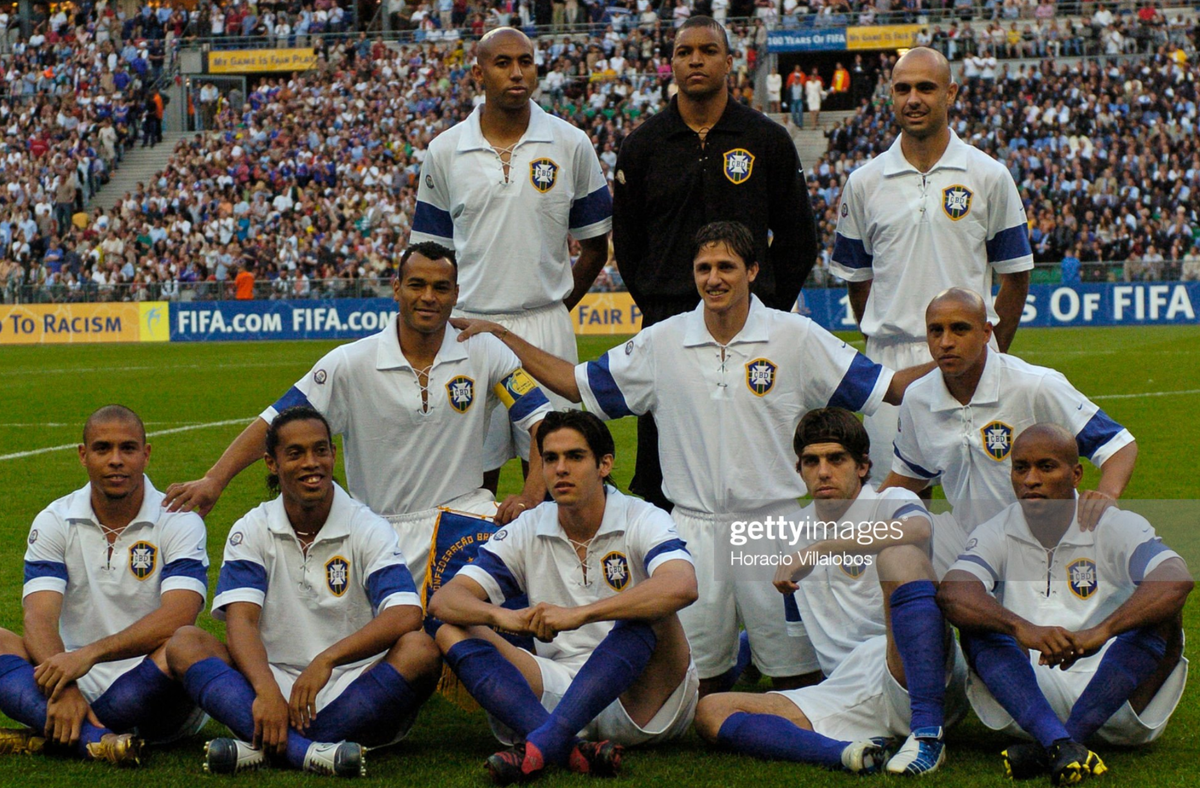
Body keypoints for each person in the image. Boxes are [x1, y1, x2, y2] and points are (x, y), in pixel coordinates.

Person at [453, 221, 933, 697]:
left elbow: (887, 387)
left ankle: (759, 665)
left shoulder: (796, 336)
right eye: (704, 267)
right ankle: (737, 660)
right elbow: (576, 384)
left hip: (774, 525)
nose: (714, 278)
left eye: (726, 266)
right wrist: (503, 337)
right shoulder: (664, 341)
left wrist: (970, 357)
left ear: (752, 271)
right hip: (694, 527)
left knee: (796, 676)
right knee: (695, 683)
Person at [164, 242, 554, 590]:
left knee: (511, 582)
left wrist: (531, 497)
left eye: (440, 287)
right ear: (397, 289)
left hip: (462, 518)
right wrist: (215, 479)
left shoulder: (484, 351)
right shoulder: (350, 363)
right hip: (377, 530)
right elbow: (275, 422)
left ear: (456, 294)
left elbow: (542, 421)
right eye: (417, 285)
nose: (428, 297)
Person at [611, 16, 818, 512]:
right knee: (664, 474)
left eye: (708, 50)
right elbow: (629, 242)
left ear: (730, 61)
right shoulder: (643, 145)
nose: (696, 60)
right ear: (672, 64)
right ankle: (672, 577)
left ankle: (762, 574)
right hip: (668, 326)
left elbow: (798, 238)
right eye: (685, 52)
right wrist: (664, 301)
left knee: (757, 461)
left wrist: (763, 304)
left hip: (753, 327)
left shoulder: (766, 139)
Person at [165, 407, 440, 776]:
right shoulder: (253, 527)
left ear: (332, 454)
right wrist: (265, 690)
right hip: (269, 681)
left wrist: (327, 660)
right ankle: (311, 752)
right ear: (271, 463)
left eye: (320, 450)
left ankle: (265, 746)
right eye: (295, 453)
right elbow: (241, 622)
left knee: (421, 649)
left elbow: (405, 613)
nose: (312, 463)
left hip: (350, 680)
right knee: (184, 643)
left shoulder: (365, 525)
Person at [429, 410, 698, 784]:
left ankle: (543, 744)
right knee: (449, 629)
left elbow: (682, 585)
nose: (560, 469)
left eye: (575, 457)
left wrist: (580, 615)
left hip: (643, 697)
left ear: (604, 464)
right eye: (550, 459)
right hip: (558, 686)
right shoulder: (529, 526)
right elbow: (445, 600)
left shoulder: (642, 516)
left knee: (652, 610)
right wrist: (506, 617)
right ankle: (564, 746)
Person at [693, 408, 967, 775]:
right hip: (847, 686)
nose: (823, 471)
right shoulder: (787, 531)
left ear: (863, 466)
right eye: (811, 461)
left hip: (914, 671)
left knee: (899, 556)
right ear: (798, 469)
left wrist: (821, 550)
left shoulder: (890, 502)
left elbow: (917, 531)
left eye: (836, 459)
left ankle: (928, 734)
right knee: (711, 711)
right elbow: (795, 638)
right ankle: (848, 753)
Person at [410, 27, 611, 494]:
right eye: (503, 63)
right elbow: (430, 258)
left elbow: (595, 245)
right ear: (478, 72)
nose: (517, 72)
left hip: (545, 329)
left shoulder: (570, 143)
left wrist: (556, 307)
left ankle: (551, 569)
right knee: (469, 481)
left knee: (555, 475)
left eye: (526, 61)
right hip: (469, 331)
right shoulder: (445, 151)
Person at [938, 425, 1191, 784]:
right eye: (1021, 468)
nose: (1031, 480)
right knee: (977, 620)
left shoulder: (1111, 524)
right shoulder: (997, 529)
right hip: (1031, 691)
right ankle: (1062, 743)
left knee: (1164, 612)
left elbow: (1176, 577)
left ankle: (1059, 741)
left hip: (1118, 695)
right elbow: (953, 592)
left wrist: (1101, 632)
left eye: (1046, 467)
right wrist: (1021, 627)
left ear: (1076, 475)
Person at [832, 47, 1033, 484]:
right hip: (891, 366)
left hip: (974, 359)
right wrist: (886, 329)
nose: (914, 98)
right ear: (890, 95)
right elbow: (858, 281)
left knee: (991, 505)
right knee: (898, 510)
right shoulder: (863, 183)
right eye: (902, 89)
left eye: (926, 87)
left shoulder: (989, 175)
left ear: (951, 94)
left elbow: (1015, 275)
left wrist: (990, 348)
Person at [0, 406, 208, 765]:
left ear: (146, 454)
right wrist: (65, 687)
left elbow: (178, 615)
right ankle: (99, 740)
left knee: (182, 645)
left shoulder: (178, 520)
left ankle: (56, 734)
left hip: (153, 688)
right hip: (69, 680)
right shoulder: (55, 519)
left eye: (127, 448)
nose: (115, 460)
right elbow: (38, 617)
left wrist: (87, 654)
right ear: (84, 455)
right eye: (102, 449)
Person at [882, 289, 1138, 573]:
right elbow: (906, 478)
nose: (945, 342)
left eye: (959, 329)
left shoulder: (1035, 385)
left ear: (985, 333)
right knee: (896, 552)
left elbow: (1117, 444)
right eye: (935, 331)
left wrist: (1107, 494)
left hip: (1046, 537)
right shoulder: (918, 399)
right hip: (966, 539)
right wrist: (851, 527)